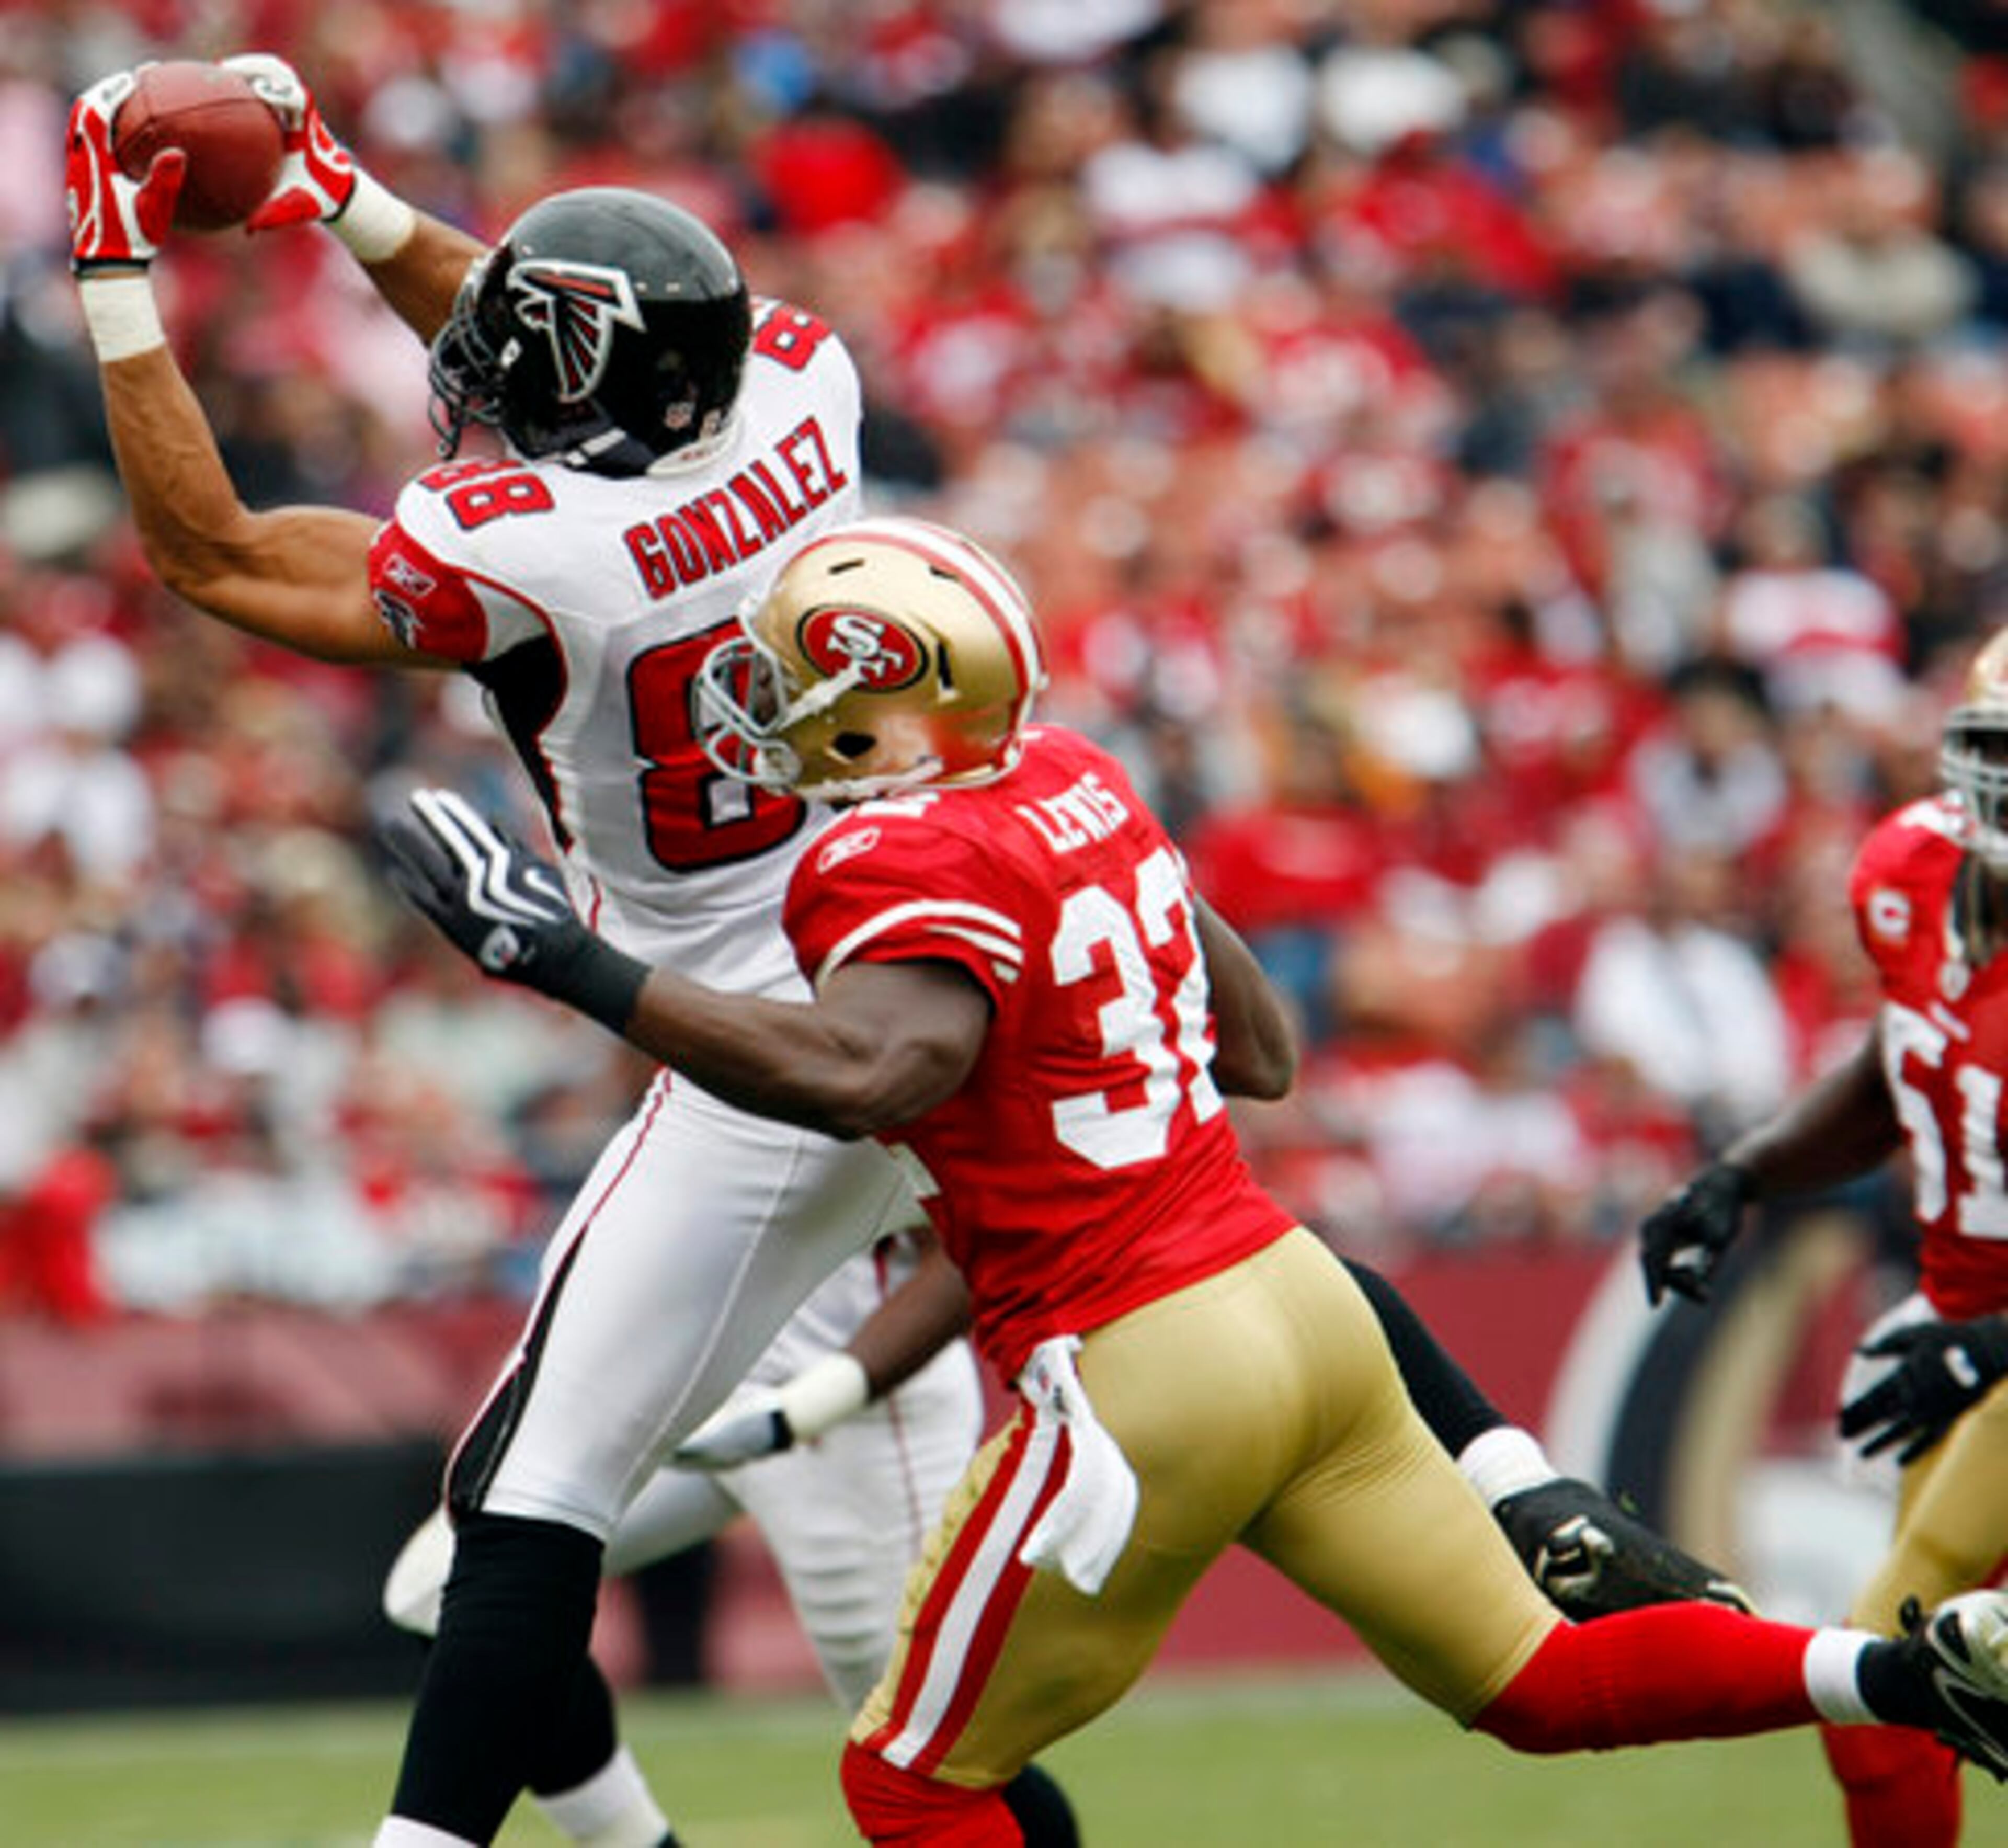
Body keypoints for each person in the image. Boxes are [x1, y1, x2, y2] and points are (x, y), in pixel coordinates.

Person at [62, 52, 1712, 1846]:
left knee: (529, 1504)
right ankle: (1507, 1461)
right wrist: (347, 198)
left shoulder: (541, 549)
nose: (494, 384)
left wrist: (111, 272)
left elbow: (215, 554)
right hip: (937, 890)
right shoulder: (800, 385)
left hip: (770, 1017)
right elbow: (594, 347)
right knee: (1187, 1211)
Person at [381, 513, 2008, 1846]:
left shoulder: (893, 853)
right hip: (1290, 1292)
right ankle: (1907, 1672)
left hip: (1141, 1361)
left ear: (892, 701)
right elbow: (1263, 1050)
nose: (767, 708)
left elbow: (878, 1072)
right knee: (1532, 1681)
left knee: (906, 1780)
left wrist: (570, 957)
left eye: (797, 680)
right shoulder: (1079, 776)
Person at [1638, 624, 2008, 1848]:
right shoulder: (1908, 873)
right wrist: (1744, 1174)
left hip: (1984, 1351)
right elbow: (1906, 1064)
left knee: (1887, 1669)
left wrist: (1987, 1344)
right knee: (1933, 1688)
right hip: (1962, 1341)